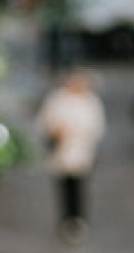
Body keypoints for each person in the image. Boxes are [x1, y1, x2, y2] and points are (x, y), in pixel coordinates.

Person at [34, 66, 106, 239]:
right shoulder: (57, 100)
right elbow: (44, 123)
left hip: (81, 153)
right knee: (64, 188)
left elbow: (96, 127)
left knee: (79, 187)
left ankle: (78, 219)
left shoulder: (90, 102)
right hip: (61, 153)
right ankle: (66, 220)